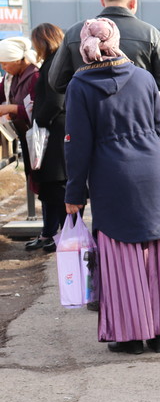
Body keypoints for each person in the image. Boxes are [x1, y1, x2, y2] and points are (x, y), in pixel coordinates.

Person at [63, 18, 160, 355]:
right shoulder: (144, 77)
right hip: (152, 171)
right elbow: (158, 126)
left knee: (122, 256)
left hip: (111, 175)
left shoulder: (80, 85)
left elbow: (76, 144)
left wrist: (74, 194)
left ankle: (131, 336)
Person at [48, 0, 160, 93]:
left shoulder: (74, 32)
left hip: (88, 115)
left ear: (103, 1)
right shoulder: (151, 34)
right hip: (135, 115)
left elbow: (57, 83)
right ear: (133, 2)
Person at [25, 25, 67, 252]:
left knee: (57, 186)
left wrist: (39, 121)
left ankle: (64, 235)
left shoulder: (55, 65)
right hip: (56, 130)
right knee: (53, 188)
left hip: (55, 132)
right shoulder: (56, 62)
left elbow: (55, 101)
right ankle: (55, 234)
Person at [0, 37, 42, 239]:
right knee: (34, 179)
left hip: (38, 137)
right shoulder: (12, 78)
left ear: (18, 60)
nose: (3, 67)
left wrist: (11, 108)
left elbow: (37, 108)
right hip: (25, 134)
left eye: (5, 63)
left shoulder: (34, 77)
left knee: (43, 184)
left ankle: (51, 231)